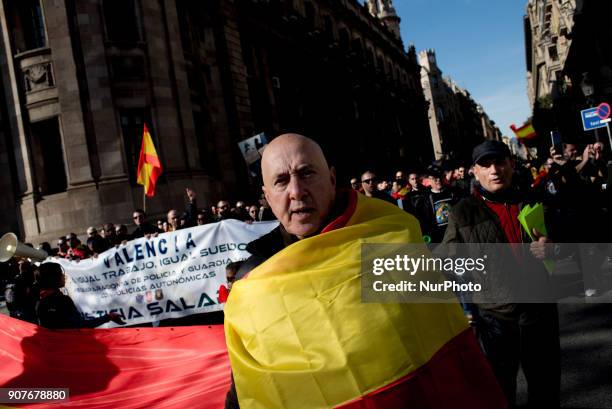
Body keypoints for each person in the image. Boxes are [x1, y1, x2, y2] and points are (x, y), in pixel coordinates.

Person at [224, 134, 505, 409]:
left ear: (332, 179)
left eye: (307, 173)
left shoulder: (389, 234)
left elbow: (438, 335)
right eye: (281, 181)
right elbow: (248, 384)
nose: (296, 191)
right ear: (267, 196)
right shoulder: (253, 280)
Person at [442, 140, 560, 408]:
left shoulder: (533, 200)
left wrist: (553, 248)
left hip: (539, 314)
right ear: (475, 171)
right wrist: (464, 307)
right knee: (499, 394)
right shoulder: (462, 212)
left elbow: (569, 241)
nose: (494, 170)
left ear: (511, 164)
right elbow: (451, 264)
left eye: (499, 162)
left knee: (546, 390)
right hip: (494, 320)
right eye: (485, 164)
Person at [35, 262, 125, 329]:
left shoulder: (39, 303)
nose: (63, 275)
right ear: (54, 278)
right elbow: (80, 326)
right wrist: (108, 317)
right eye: (60, 273)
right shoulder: (63, 301)